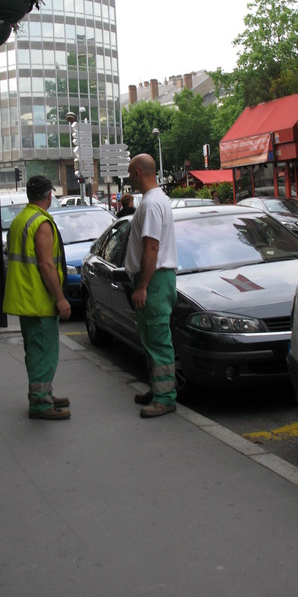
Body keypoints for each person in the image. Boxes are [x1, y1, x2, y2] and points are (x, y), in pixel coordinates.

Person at [3, 175, 72, 420]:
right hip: (39, 298)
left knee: (35, 351)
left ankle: (43, 394)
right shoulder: (41, 223)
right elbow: (45, 265)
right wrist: (61, 298)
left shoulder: (20, 219)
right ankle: (41, 403)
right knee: (44, 352)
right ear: (48, 196)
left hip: (24, 297)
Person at [124, 154, 178, 418]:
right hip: (155, 279)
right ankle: (158, 389)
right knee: (151, 337)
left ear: (136, 171)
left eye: (128, 173)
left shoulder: (151, 203)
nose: (128, 179)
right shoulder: (155, 200)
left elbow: (152, 247)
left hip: (154, 280)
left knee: (157, 339)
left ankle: (165, 397)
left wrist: (142, 286)